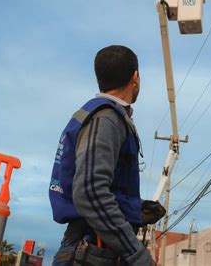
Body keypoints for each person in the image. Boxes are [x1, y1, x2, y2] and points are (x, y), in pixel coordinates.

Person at [49, 45, 164, 265]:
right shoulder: (106, 118)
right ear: (135, 77)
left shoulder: (104, 116)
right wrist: (138, 255)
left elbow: (94, 188)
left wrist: (135, 208)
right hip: (92, 251)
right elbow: (90, 193)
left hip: (93, 248)